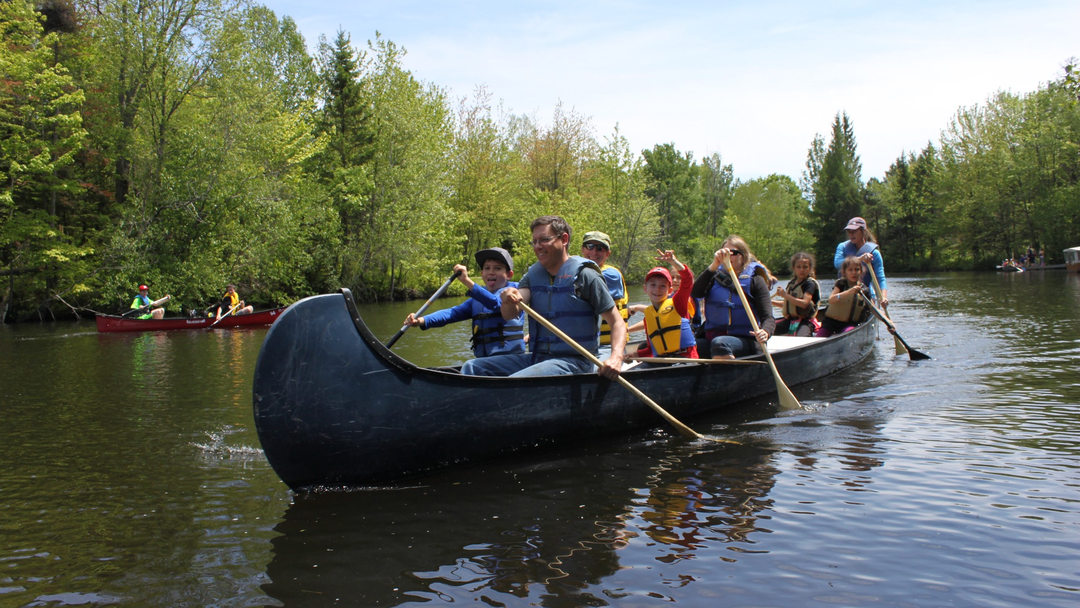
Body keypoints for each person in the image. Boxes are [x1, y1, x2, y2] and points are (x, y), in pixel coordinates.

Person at [464, 215, 626, 379]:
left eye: (544, 240)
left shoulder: (586, 276)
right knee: (473, 367)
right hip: (538, 357)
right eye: (534, 242)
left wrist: (616, 357)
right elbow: (509, 314)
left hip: (575, 361)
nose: (537, 246)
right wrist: (508, 300)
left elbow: (617, 322)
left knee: (514, 381)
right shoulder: (532, 276)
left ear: (564, 239)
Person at [403, 248, 526, 367]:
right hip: (486, 361)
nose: (491, 272)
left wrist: (466, 281)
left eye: (498, 268)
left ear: (509, 274)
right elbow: (452, 313)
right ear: (482, 274)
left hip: (510, 359)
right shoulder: (476, 300)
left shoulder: (513, 291)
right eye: (487, 268)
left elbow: (495, 303)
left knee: (469, 366)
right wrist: (421, 320)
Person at [691, 236, 775, 359]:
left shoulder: (756, 280)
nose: (727, 256)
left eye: (733, 253)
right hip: (714, 337)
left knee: (720, 343)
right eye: (724, 252)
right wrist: (714, 265)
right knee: (693, 346)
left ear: (743, 256)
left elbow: (768, 317)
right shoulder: (713, 278)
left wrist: (765, 332)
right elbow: (696, 293)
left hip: (746, 339)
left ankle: (726, 375)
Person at [636, 251, 698, 360]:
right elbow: (652, 350)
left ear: (670, 291)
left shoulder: (678, 302)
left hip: (685, 359)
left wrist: (674, 262)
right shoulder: (648, 316)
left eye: (663, 286)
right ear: (645, 289)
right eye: (653, 285)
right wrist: (635, 355)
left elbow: (688, 280)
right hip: (663, 360)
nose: (657, 289)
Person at [580, 231, 629, 359]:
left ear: (607, 253)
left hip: (608, 346)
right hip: (585, 345)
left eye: (600, 248)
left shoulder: (610, 275)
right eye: (590, 246)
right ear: (582, 249)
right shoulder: (578, 272)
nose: (594, 252)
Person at [834, 217, 888, 306]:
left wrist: (883, 297)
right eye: (849, 231)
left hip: (864, 294)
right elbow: (838, 264)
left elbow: (880, 279)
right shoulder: (842, 247)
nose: (851, 234)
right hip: (843, 293)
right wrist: (860, 259)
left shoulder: (874, 253)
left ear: (864, 231)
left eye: (854, 231)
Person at [816, 256, 872, 337]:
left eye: (857, 269)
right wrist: (849, 292)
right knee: (819, 338)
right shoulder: (841, 284)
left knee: (849, 334)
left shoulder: (864, 290)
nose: (854, 272)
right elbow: (831, 299)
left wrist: (888, 321)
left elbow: (873, 309)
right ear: (844, 272)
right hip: (830, 323)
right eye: (850, 270)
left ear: (861, 271)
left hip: (849, 324)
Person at [773, 252, 821, 337]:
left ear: (810, 268)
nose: (802, 270)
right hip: (790, 321)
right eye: (798, 267)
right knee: (767, 330)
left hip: (806, 321)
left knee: (801, 338)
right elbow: (788, 304)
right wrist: (769, 302)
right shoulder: (792, 284)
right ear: (793, 268)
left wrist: (785, 295)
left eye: (805, 267)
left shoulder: (809, 284)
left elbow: (804, 304)